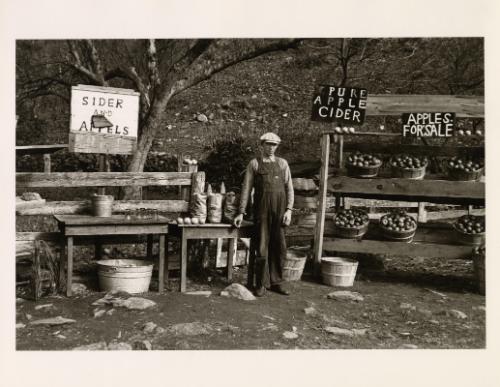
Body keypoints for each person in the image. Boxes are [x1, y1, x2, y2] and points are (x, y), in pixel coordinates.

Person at [233, 132, 294, 297]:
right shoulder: (254, 164)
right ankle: (260, 284)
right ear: (262, 145)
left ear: (277, 146)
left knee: (280, 247)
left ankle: (276, 283)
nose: (271, 148)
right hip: (262, 212)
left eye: (274, 145)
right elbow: (246, 188)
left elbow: (289, 188)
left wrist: (289, 210)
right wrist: (241, 212)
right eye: (268, 144)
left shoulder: (282, 164)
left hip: (280, 211)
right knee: (261, 248)